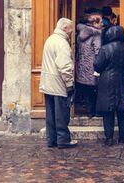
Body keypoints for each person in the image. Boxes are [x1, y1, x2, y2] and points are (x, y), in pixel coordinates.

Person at [94, 26, 124, 146]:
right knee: (122, 110)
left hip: (107, 82)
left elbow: (97, 66)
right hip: (122, 81)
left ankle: (109, 138)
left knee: (108, 112)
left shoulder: (105, 49)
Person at [40, 18, 77, 149]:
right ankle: (63, 140)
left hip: (48, 82)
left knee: (50, 113)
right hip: (58, 83)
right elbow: (65, 66)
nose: (72, 32)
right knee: (61, 113)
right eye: (70, 28)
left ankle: (52, 139)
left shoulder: (50, 39)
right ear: (64, 28)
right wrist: (69, 84)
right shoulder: (62, 43)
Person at [76, 13, 102, 118]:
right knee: (94, 89)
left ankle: (88, 110)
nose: (102, 24)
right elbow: (98, 50)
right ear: (95, 23)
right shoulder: (96, 34)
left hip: (82, 65)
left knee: (86, 89)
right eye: (100, 22)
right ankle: (94, 111)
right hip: (92, 65)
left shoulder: (81, 32)